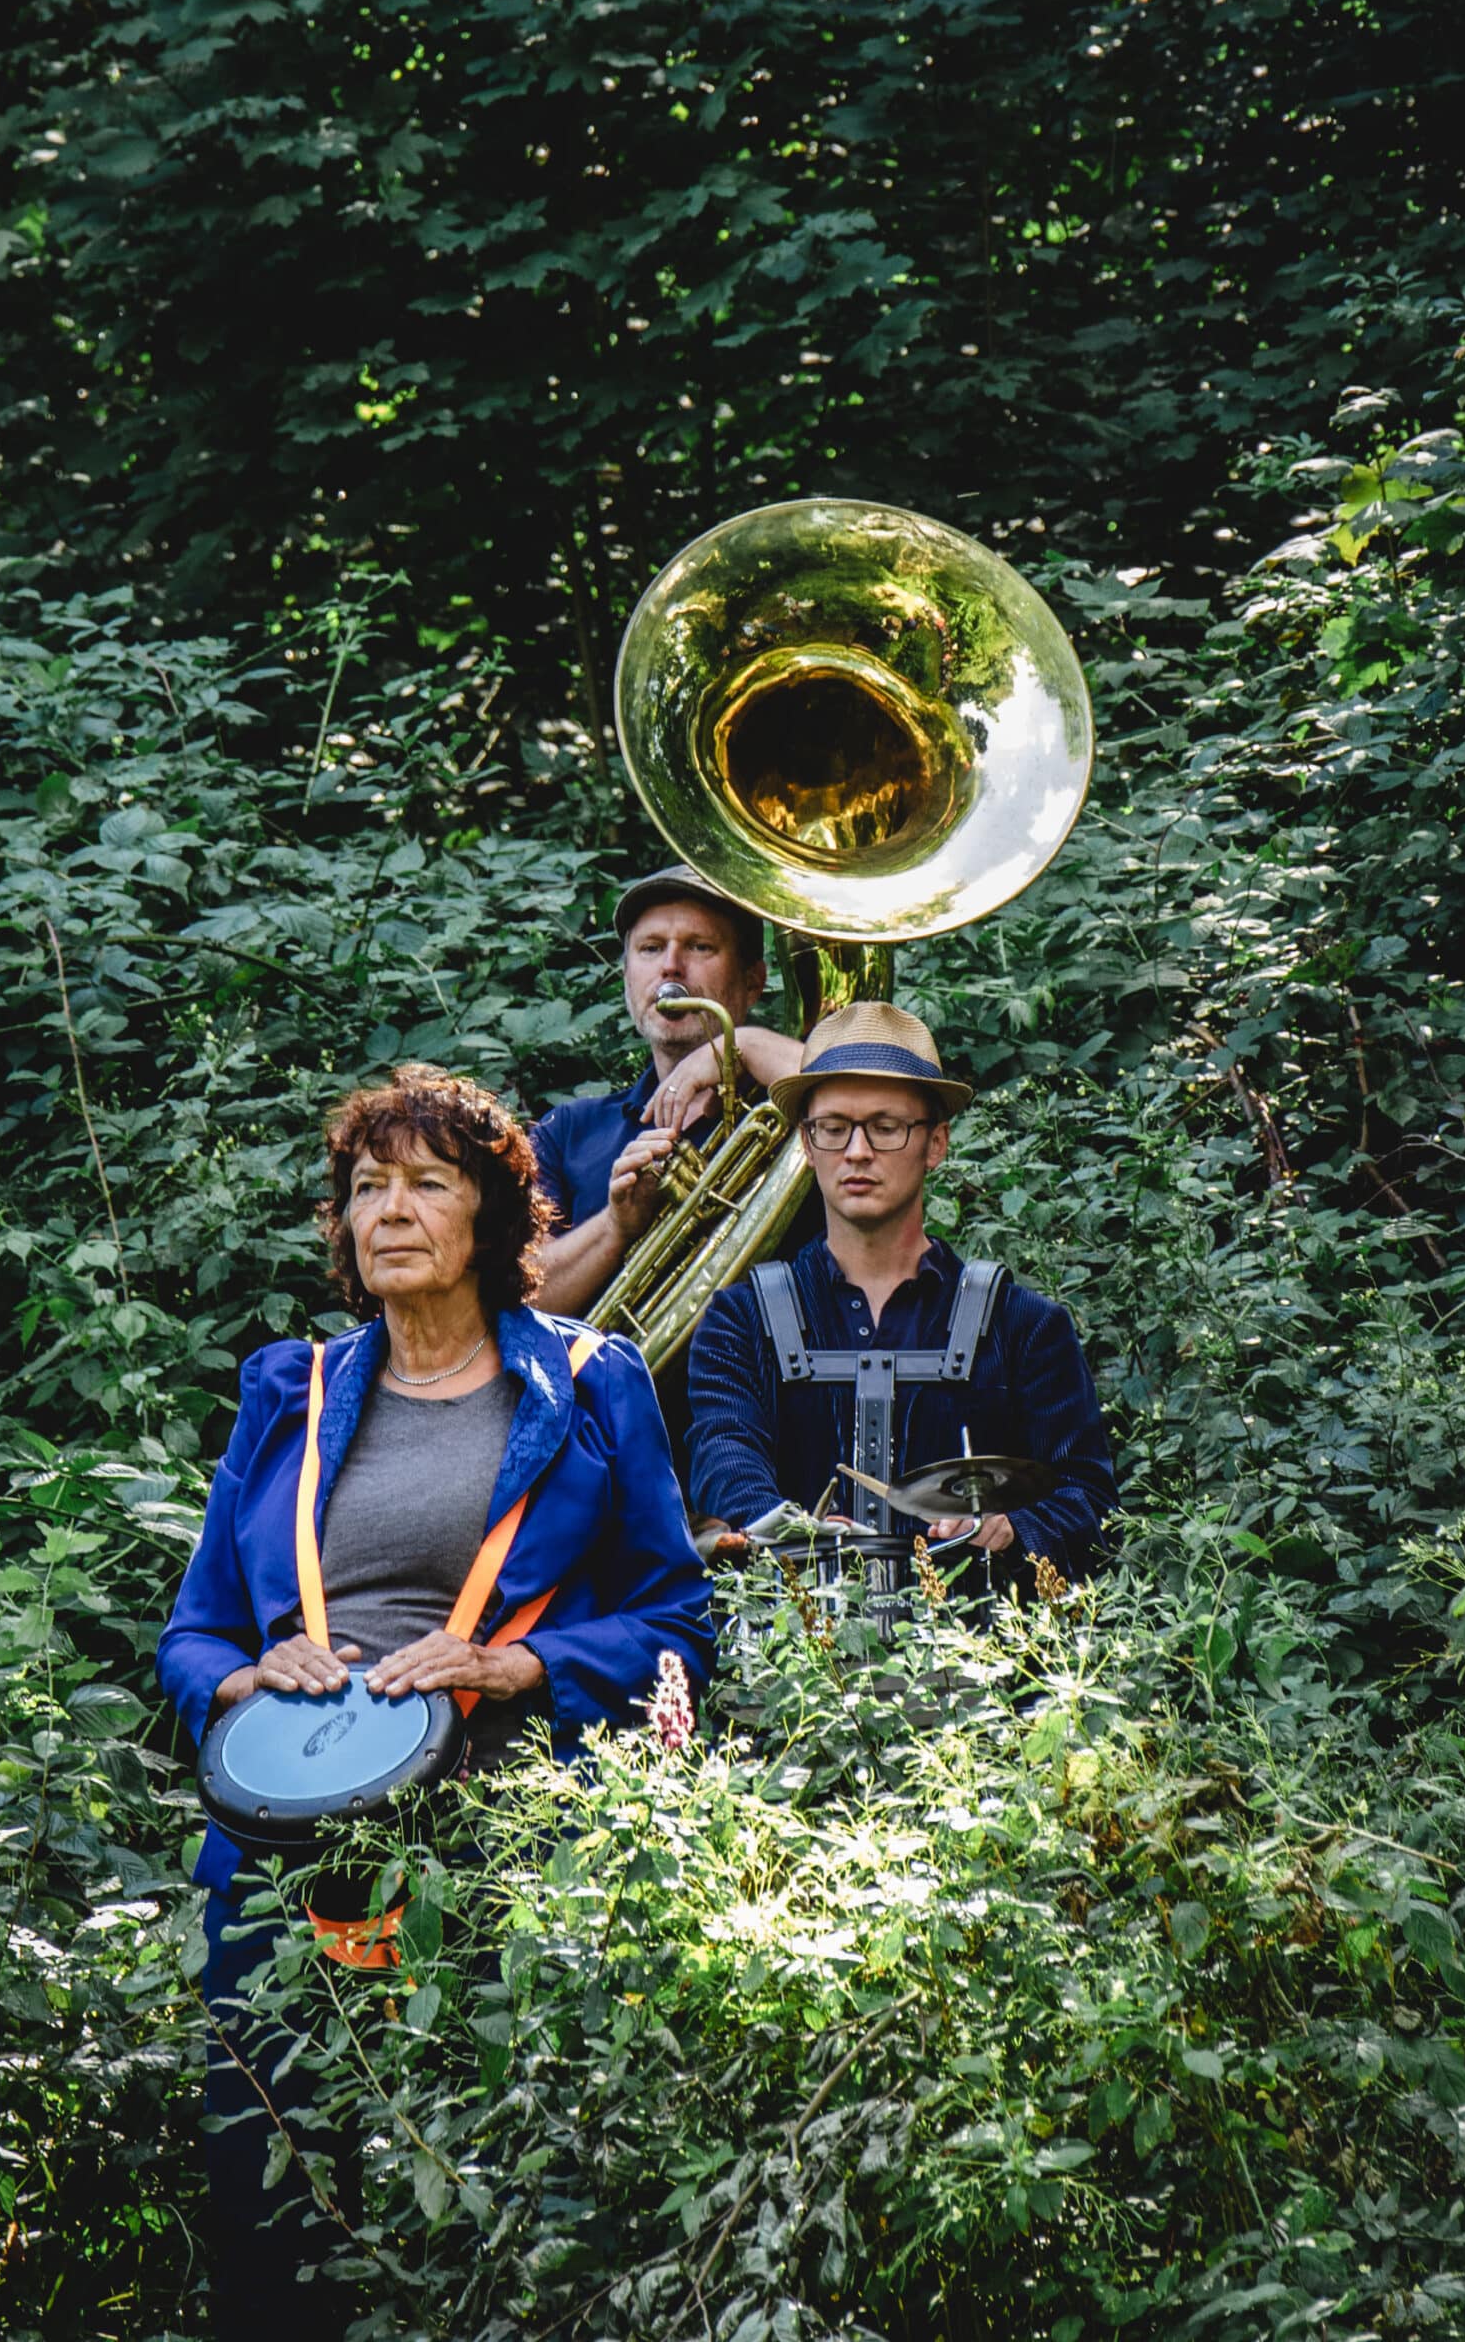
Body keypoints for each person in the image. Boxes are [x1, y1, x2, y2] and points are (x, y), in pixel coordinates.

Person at [158, 1064, 712, 2337]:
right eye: (368, 1187)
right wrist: (247, 1674)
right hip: (280, 1849)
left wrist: (519, 1667)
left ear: (493, 1216)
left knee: (499, 2194)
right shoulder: (287, 1388)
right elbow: (192, 1634)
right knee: (270, 2191)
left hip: (500, 1837)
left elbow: (681, 1622)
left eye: (426, 1183)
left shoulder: (590, 1381)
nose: (391, 1210)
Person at [685, 1002, 1115, 1584]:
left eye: (886, 1127)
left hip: (974, 1638)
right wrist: (789, 1531)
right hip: (798, 1635)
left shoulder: (1025, 1326)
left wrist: (1014, 1531)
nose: (856, 1151)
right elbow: (724, 1457)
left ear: (935, 1144)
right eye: (833, 1128)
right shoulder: (739, 1321)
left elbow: (1090, 1504)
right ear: (806, 1145)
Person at [532, 862, 814, 1476]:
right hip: (610, 1465)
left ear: (754, 979)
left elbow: (866, 1107)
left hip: (780, 1448)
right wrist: (616, 1227)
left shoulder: (796, 1114)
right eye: (650, 948)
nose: (671, 967)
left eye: (700, 947)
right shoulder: (569, 1133)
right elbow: (516, 1298)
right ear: (628, 976)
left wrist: (741, 1046)